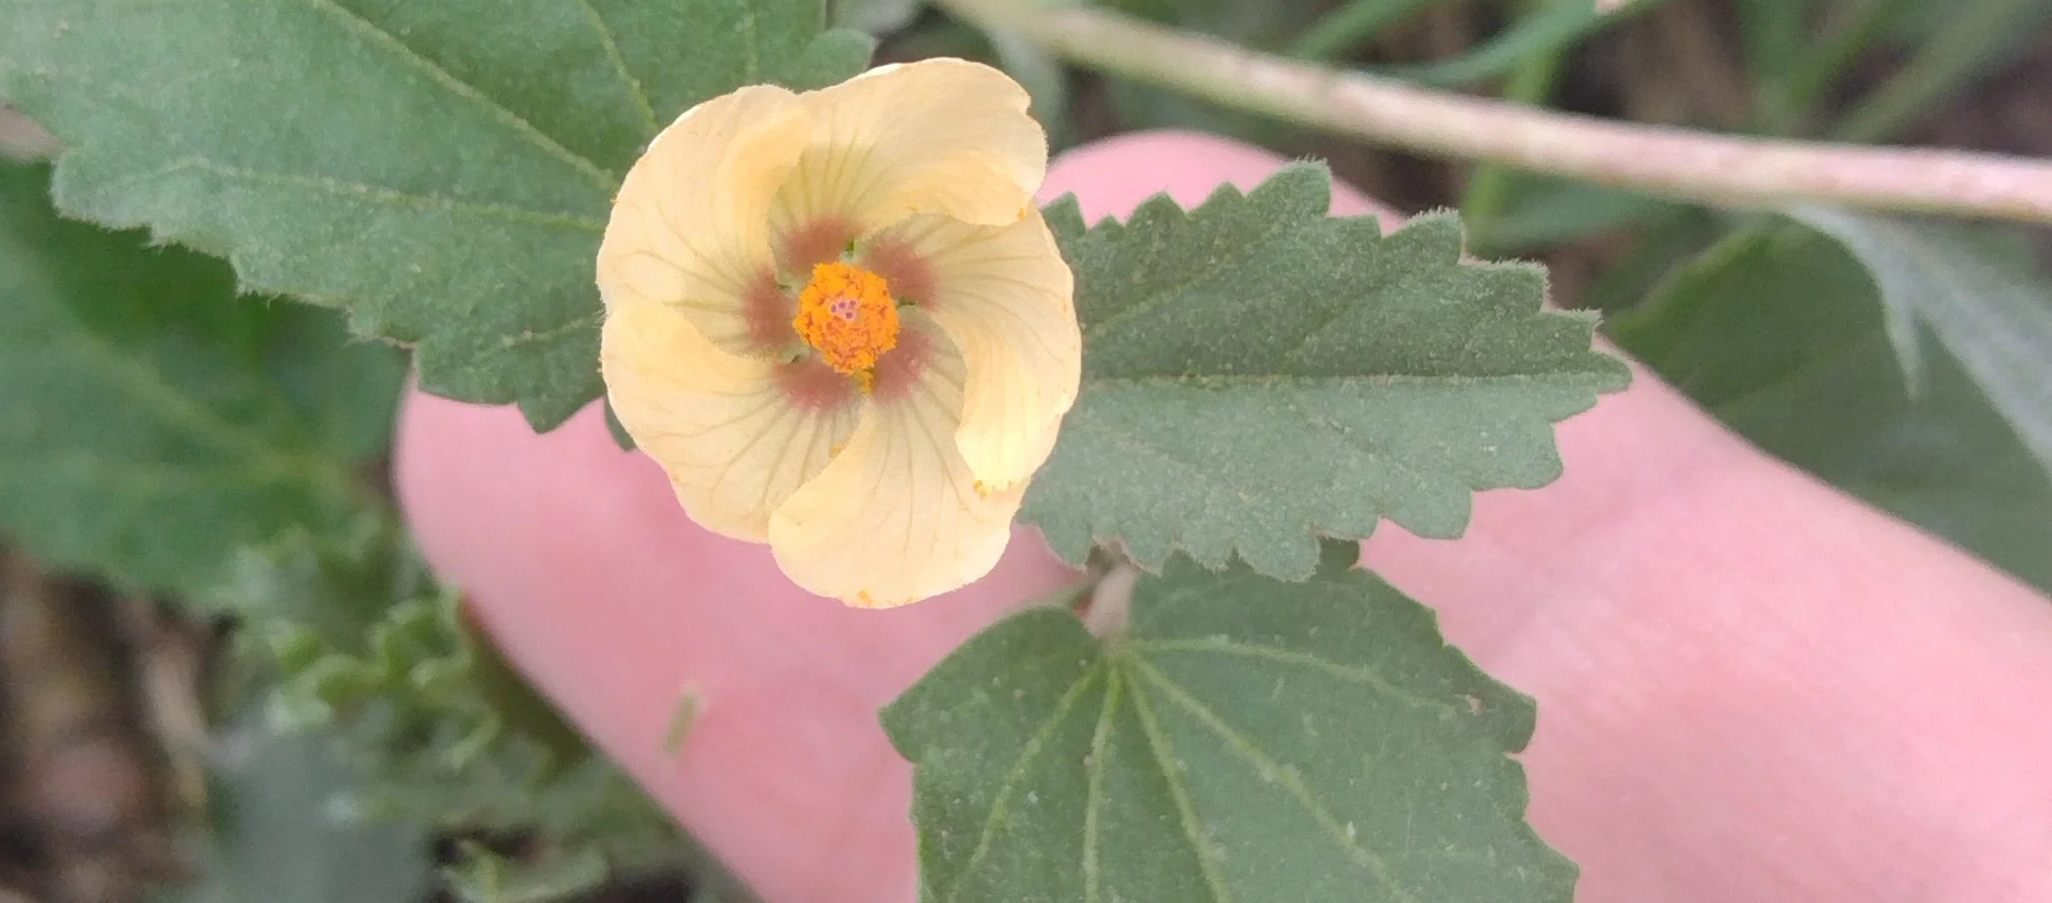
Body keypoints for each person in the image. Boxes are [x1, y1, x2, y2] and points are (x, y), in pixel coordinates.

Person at [395, 131, 2052, 903]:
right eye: (833, 304)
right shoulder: (779, 330)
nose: (846, 308)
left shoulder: (951, 286)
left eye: (852, 295)